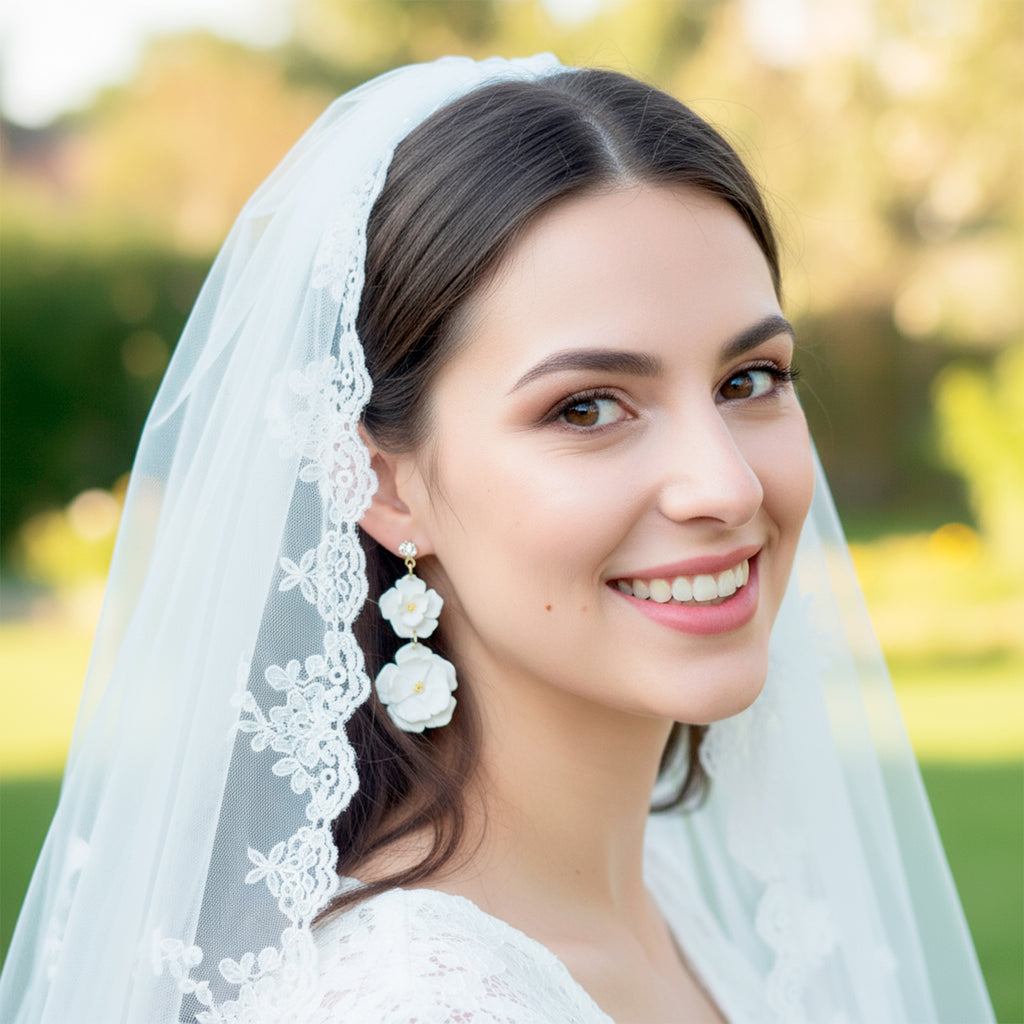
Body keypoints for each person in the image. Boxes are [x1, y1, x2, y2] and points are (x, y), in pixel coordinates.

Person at [0, 55, 993, 1024]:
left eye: (749, 380)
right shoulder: (412, 1000)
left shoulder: (656, 911)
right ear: (385, 486)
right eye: (587, 407)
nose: (725, 484)